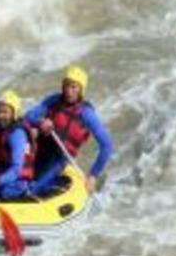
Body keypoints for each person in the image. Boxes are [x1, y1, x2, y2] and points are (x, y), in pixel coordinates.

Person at [24, 65, 114, 196]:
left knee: (33, 190)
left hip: (60, 157)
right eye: (66, 85)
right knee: (20, 178)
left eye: (74, 87)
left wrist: (93, 175)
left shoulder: (86, 114)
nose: (69, 91)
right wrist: (40, 122)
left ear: (81, 90)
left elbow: (107, 145)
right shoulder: (54, 101)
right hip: (41, 147)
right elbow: (29, 116)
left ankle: (52, 185)